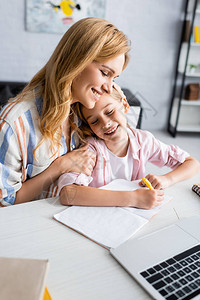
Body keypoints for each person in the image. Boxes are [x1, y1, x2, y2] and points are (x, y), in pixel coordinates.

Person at [0, 17, 130, 206]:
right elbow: (5, 201)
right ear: (76, 61)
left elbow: (127, 135)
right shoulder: (14, 122)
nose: (110, 88)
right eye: (105, 73)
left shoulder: (92, 103)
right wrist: (59, 167)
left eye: (115, 78)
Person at [58, 84, 200, 209]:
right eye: (95, 121)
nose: (106, 123)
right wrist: (133, 198)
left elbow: (192, 163)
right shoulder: (90, 151)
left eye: (109, 112)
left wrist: (167, 179)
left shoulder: (143, 140)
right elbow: (68, 194)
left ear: (124, 105)